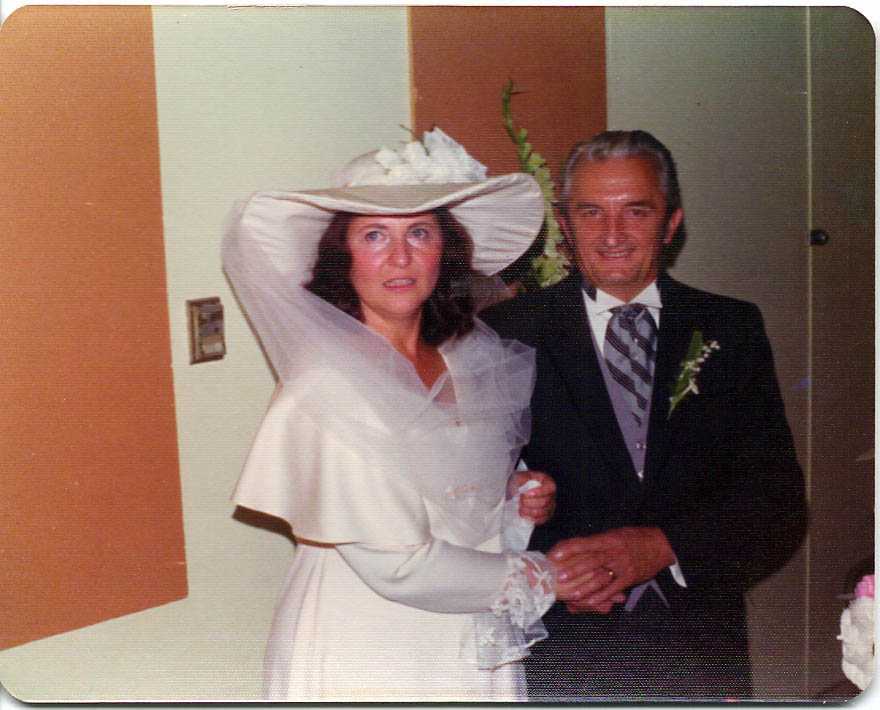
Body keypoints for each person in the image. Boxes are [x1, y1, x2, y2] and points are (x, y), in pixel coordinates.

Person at [222, 128, 566, 702]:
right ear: (342, 257)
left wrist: (515, 497)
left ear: (444, 251)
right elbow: (398, 566)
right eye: (375, 235)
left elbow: (451, 493)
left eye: (420, 233)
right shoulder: (326, 385)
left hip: (466, 628)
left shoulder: (465, 357)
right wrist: (550, 576)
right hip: (367, 640)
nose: (400, 257)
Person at [482, 130, 807, 700]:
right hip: (565, 651)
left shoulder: (730, 328)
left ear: (671, 223)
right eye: (591, 212)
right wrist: (548, 581)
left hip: (700, 650)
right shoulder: (507, 332)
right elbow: (471, 507)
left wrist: (662, 547)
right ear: (565, 224)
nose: (612, 234)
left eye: (636, 211)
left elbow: (777, 505)